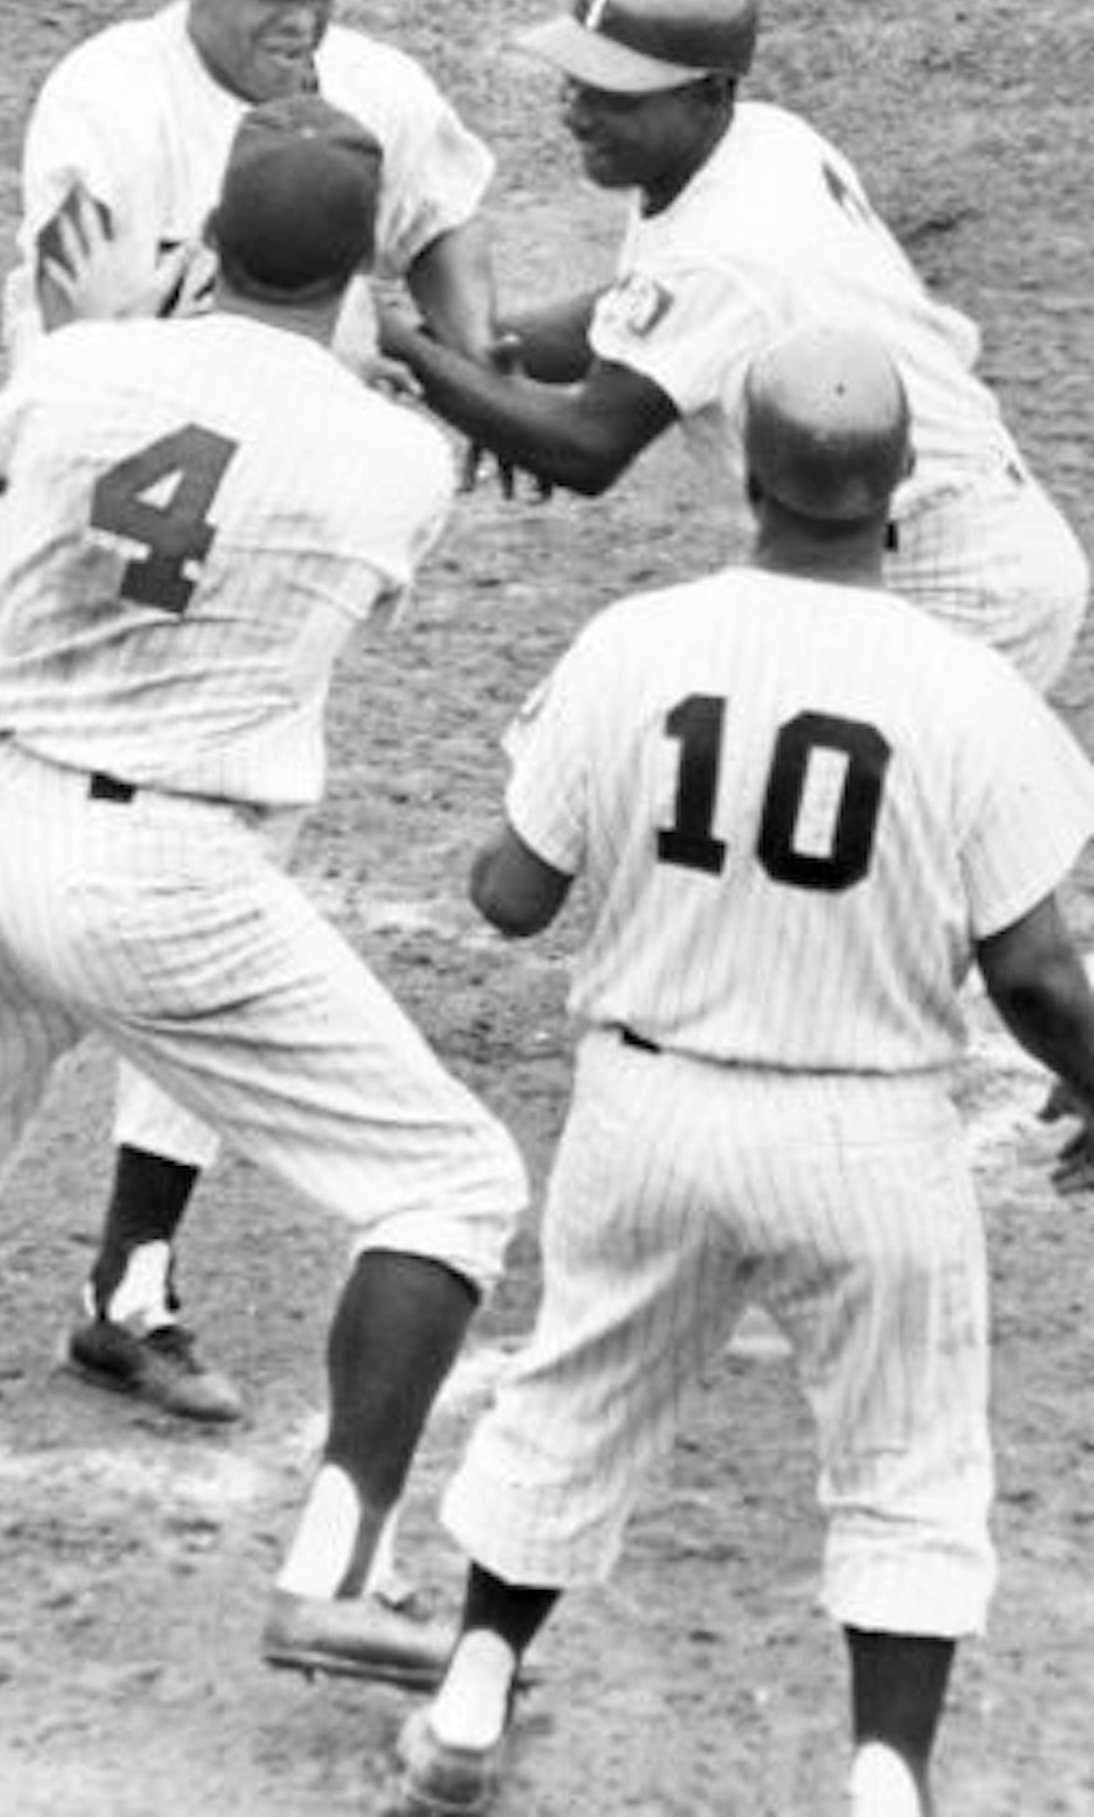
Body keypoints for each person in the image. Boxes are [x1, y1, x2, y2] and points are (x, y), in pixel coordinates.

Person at [0, 95, 530, 1698]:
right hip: (158, 871)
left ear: (212, 241)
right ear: (361, 270)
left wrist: (82, 354)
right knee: (448, 1187)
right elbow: (321, 574)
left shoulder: (83, 370)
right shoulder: (396, 458)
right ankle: (339, 1575)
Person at [0, 0, 506, 1426]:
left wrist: (474, 342)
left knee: (221, 852)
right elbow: (82, 347)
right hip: (62, 482)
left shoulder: (368, 83)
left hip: (255, 505)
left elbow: (445, 201)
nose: (299, 21)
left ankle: (131, 1283)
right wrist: (318, 384)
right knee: (61, 843)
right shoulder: (103, 100)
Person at [391, 323, 1094, 1817]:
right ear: (901, 484)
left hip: (650, 1110)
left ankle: (465, 1706)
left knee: (567, 1405)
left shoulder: (636, 643)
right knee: (909, 1461)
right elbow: (1036, 978)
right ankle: (886, 1781)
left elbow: (508, 896)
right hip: (869, 1139)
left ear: (751, 480)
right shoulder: (976, 695)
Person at [378, 0, 1088, 696]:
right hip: (892, 539)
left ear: (710, 94)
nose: (577, 115)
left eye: (616, 95)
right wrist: (466, 350)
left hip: (951, 577)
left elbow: (585, 449)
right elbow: (637, 313)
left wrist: (390, 343)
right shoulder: (762, 139)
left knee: (820, 797)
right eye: (575, 81)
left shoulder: (728, 248)